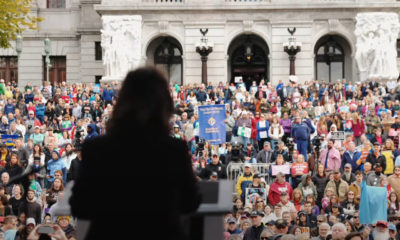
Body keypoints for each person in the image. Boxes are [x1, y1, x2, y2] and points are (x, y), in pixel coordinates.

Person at [70, 68, 200, 240]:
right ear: (164, 104)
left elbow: (80, 206)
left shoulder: (96, 148)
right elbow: (190, 202)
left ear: (123, 101)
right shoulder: (174, 149)